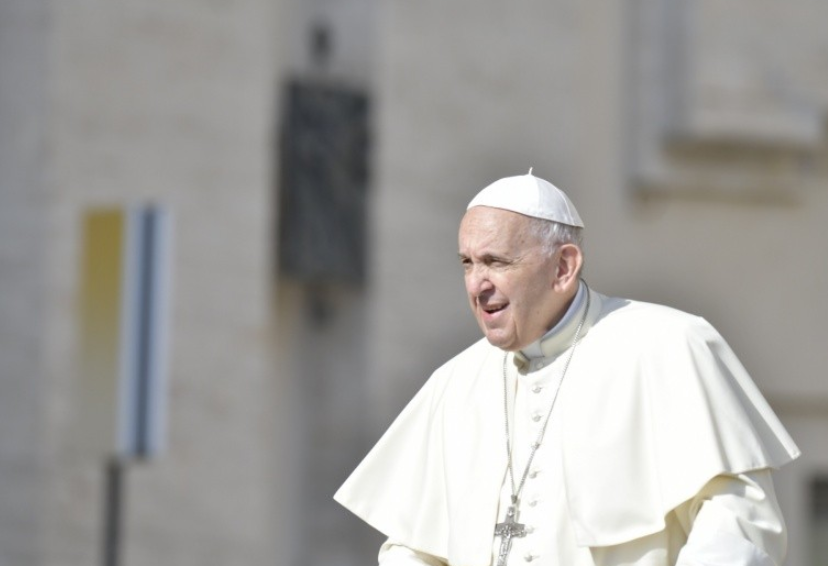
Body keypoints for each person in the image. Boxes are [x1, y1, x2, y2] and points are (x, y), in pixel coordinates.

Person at [335, 172, 800, 566]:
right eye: (468, 263)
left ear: (563, 267)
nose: (477, 285)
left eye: (495, 262)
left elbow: (738, 521)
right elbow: (411, 548)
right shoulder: (453, 385)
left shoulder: (668, 346)